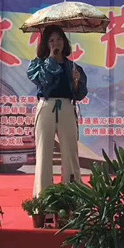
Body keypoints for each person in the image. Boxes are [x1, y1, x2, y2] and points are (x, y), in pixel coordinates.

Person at [27, 25, 88, 197]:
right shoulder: (37, 64)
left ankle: (73, 195)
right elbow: (43, 81)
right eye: (51, 40)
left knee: (70, 153)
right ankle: (43, 197)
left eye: (59, 39)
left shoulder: (73, 67)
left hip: (67, 107)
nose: (56, 43)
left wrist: (76, 82)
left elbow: (80, 94)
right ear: (46, 44)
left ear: (65, 42)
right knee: (44, 152)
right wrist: (52, 60)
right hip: (46, 106)